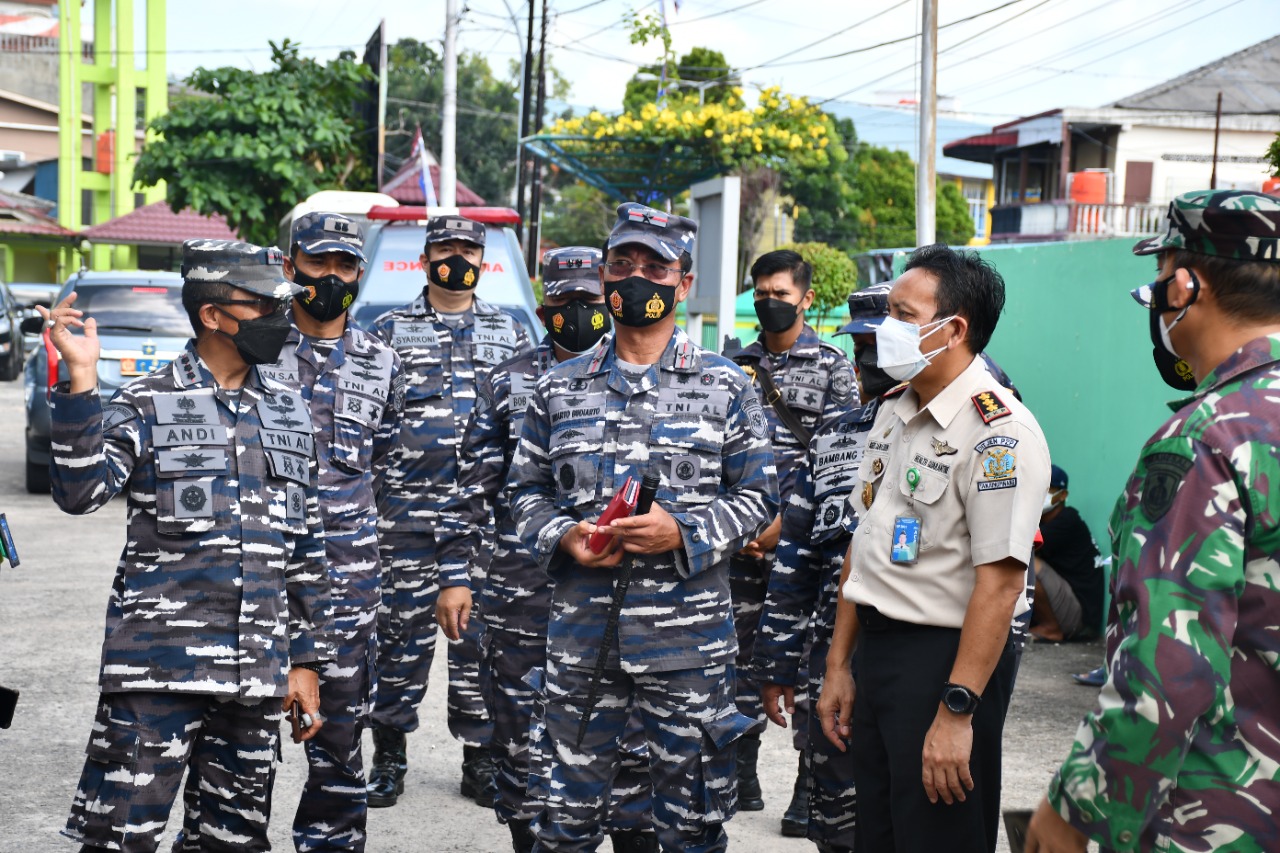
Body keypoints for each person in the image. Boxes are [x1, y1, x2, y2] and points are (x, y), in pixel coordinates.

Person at [506, 202, 778, 852]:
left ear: (683, 284)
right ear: (603, 275)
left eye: (655, 267)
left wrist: (682, 532)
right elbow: (523, 493)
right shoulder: (558, 388)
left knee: (690, 827)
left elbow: (761, 497)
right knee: (563, 824)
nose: (636, 277)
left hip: (688, 646)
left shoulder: (725, 385)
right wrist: (563, 535)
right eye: (622, 263)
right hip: (581, 641)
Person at [46, 239, 333, 852]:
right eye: (264, 306)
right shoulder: (146, 400)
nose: (280, 319)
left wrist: (305, 661)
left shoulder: (288, 411)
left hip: (253, 677)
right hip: (158, 671)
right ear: (212, 314)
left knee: (233, 842)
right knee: (121, 837)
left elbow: (305, 548)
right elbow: (81, 493)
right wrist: (81, 379)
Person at [1025, 189, 1280, 852]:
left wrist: (1076, 807)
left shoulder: (1210, 437)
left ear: (1186, 287)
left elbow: (1170, 664)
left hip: (1224, 815)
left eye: (1162, 273)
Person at [818, 244, 1051, 853]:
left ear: (953, 330)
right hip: (878, 654)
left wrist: (956, 711)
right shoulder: (894, 411)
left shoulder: (1000, 432)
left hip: (945, 664)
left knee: (938, 838)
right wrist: (840, 665)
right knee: (878, 837)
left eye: (903, 314)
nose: (885, 328)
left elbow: (1001, 585)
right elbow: (864, 541)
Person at [434, 247, 655, 852]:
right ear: (543, 308)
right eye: (565, 301)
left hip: (621, 595)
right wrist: (455, 574)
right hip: (522, 589)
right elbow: (472, 486)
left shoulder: (646, 374)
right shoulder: (509, 380)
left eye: (589, 299)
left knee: (630, 744)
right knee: (520, 740)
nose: (578, 312)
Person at [365, 214, 531, 809]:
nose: (455, 258)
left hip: (483, 523)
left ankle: (479, 759)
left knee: (479, 643)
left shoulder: (512, 333)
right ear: (425, 258)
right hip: (405, 517)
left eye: (467, 249)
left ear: (483, 261)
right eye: (444, 248)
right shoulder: (386, 331)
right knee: (397, 640)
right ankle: (388, 756)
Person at [752, 283, 894, 853]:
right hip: (830, 658)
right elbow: (796, 560)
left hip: (920, 659)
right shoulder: (835, 438)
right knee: (835, 818)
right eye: (860, 349)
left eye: (880, 346)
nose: (869, 362)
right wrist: (776, 663)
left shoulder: (968, 429)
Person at [727, 249, 857, 819]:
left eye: (780, 293)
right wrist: (743, 527)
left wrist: (784, 527)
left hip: (803, 542)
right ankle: (741, 770)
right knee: (740, 655)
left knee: (810, 658)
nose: (769, 302)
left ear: (806, 298)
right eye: (761, 293)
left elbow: (839, 457)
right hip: (742, 540)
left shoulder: (833, 367)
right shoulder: (733, 366)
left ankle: (811, 784)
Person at [1029, 464, 1102, 643]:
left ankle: (1051, 628)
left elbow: (1020, 545)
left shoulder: (1067, 521)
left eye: (1047, 489)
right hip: (1064, 603)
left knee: (1023, 562)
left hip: (1078, 618)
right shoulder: (1043, 521)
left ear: (1062, 495)